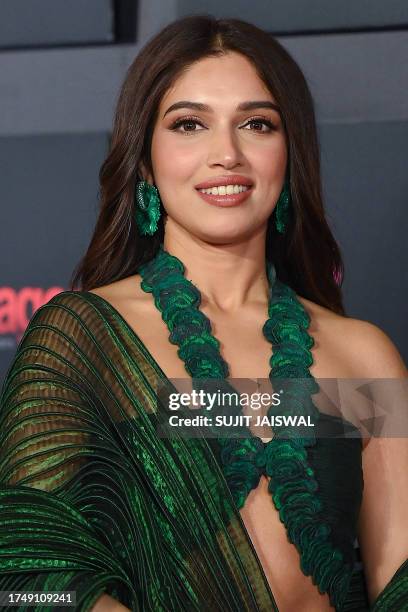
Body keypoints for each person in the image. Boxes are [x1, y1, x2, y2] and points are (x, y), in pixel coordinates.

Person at [0, 14, 407, 612]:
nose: (227, 154)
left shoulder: (362, 353)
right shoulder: (83, 341)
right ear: (144, 160)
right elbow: (26, 573)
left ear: (290, 154)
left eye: (257, 124)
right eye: (189, 124)